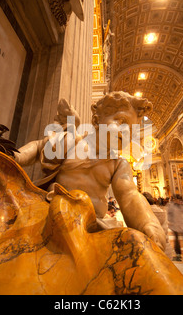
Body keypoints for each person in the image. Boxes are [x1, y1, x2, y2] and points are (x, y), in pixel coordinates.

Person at [15, 92, 166, 250]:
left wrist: (149, 224)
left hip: (95, 225)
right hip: (56, 215)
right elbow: (39, 146)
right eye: (121, 121)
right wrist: (16, 157)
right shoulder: (73, 142)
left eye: (131, 130)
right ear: (96, 120)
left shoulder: (118, 164)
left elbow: (129, 196)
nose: (125, 132)